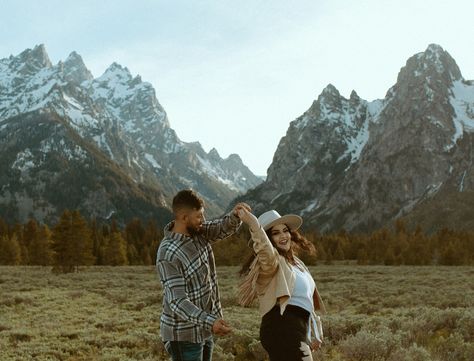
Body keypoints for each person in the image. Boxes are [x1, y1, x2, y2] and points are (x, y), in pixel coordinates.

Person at [156, 189, 250, 361]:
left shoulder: (198, 232)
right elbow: (178, 302)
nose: (203, 221)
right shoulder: (167, 253)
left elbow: (219, 228)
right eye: (199, 216)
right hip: (183, 335)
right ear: (184, 218)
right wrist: (210, 321)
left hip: (205, 329)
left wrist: (235, 216)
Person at [238, 208, 325, 361]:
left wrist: (314, 330)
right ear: (269, 239)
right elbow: (264, 249)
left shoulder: (298, 264)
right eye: (275, 233)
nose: (283, 236)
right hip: (281, 326)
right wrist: (253, 223)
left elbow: (305, 301)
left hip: (296, 327)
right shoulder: (271, 263)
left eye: (285, 230)